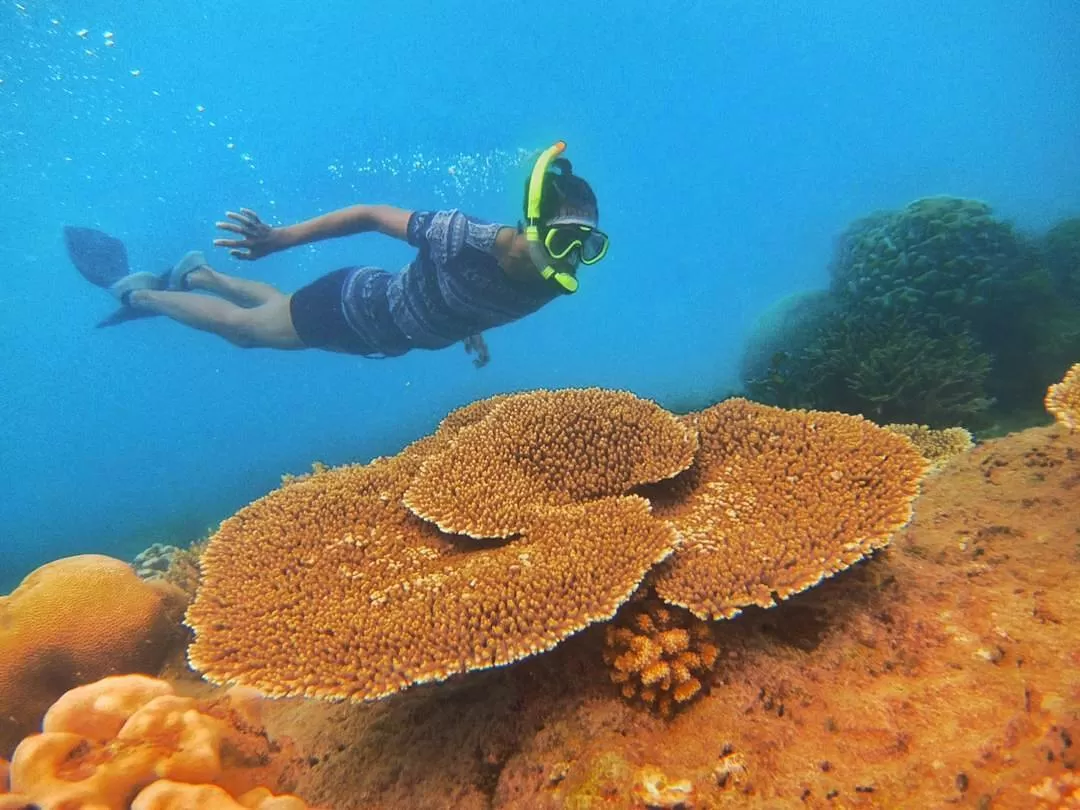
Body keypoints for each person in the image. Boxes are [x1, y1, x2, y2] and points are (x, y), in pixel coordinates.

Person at [64, 142, 608, 366]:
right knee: (245, 331)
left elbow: (478, 292)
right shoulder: (464, 234)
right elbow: (369, 215)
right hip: (353, 309)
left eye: (586, 249)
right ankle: (140, 292)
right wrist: (279, 239)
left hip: (380, 328)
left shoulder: (547, 284)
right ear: (529, 228)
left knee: (275, 306)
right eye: (562, 244)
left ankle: (199, 273)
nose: (569, 263)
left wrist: (468, 321)